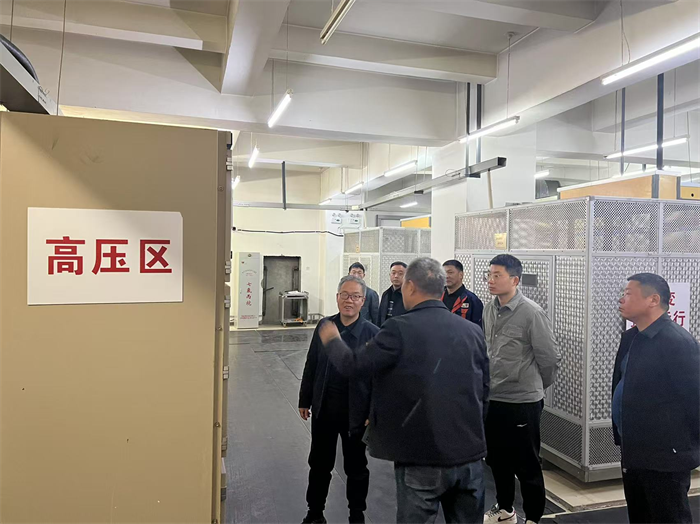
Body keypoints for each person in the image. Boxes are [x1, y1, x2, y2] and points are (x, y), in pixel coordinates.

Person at [318, 257, 490, 524]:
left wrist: (331, 339)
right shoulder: (472, 331)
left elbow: (354, 365)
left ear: (409, 286)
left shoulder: (399, 328)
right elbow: (484, 390)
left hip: (422, 457)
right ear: (441, 289)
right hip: (470, 457)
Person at [613, 273, 700, 524]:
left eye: (629, 294)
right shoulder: (632, 338)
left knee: (669, 517)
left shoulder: (677, 342)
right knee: (640, 515)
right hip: (634, 450)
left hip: (666, 457)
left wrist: (684, 449)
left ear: (653, 300)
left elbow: (694, 399)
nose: (621, 299)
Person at [482, 254, 560, 524]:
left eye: (497, 275)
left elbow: (549, 359)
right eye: (489, 275)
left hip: (522, 402)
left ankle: (534, 518)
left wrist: (533, 386)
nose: (491, 280)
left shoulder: (531, 312)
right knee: (497, 460)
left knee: (527, 464)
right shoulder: (489, 308)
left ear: (515, 280)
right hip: (494, 398)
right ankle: (505, 509)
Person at [298, 275, 380, 524]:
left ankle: (356, 515)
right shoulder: (325, 326)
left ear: (363, 301)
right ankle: (315, 513)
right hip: (324, 409)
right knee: (319, 465)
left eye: (355, 296)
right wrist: (305, 399)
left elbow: (379, 379)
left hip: (356, 415)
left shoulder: (373, 333)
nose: (349, 300)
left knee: (356, 468)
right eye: (345, 295)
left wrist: (373, 412)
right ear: (337, 297)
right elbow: (312, 363)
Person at [442, 259, 484, 327]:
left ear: (461, 275)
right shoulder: (436, 296)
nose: (446, 276)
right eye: (444, 273)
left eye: (450, 272)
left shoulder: (472, 300)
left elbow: (477, 328)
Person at [378, 261, 407, 326]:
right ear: (389, 275)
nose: (396, 276)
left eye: (400, 273)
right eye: (393, 273)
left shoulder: (408, 296)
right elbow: (380, 317)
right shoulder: (386, 294)